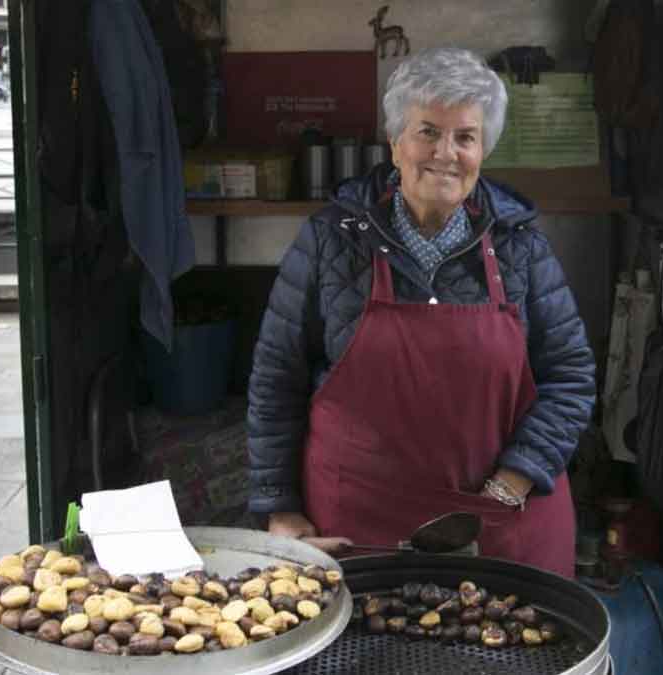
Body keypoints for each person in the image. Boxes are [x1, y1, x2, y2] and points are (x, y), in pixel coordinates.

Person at [247, 47, 595, 577]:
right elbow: (276, 378)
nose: (445, 153)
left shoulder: (521, 247)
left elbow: (570, 377)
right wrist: (279, 506)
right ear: (395, 143)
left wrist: (512, 482)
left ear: (484, 150)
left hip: (499, 521)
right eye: (427, 131)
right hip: (358, 524)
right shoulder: (331, 241)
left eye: (465, 137)